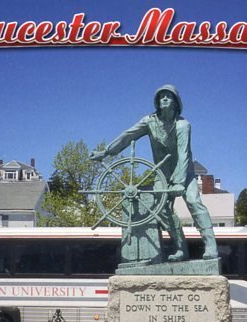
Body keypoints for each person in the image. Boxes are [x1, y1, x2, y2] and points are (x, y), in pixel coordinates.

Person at [89, 85, 218, 262]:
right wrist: (107, 152)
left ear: (176, 102)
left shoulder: (183, 125)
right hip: (162, 175)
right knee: (161, 209)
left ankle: (211, 245)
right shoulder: (149, 121)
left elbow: (184, 154)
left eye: (168, 96)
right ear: (157, 102)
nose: (164, 99)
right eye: (161, 97)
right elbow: (128, 135)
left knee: (195, 203)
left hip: (185, 173)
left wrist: (180, 182)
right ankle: (181, 248)